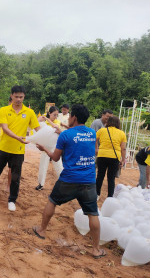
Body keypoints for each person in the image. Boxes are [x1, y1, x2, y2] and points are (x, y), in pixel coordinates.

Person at [32, 104, 106, 259]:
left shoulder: (66, 135)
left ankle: (42, 230)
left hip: (69, 179)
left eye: (70, 115)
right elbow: (91, 149)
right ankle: (96, 249)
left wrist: (44, 149)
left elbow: (55, 157)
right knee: (93, 214)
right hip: (89, 180)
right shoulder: (92, 133)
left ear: (74, 117)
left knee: (52, 201)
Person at [0, 86, 40, 212]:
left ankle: (12, 200)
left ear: (24, 97)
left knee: (16, 178)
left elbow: (37, 129)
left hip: (18, 150)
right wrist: (18, 137)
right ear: (11, 95)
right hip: (3, 147)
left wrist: (42, 140)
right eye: (16, 96)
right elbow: (5, 128)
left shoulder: (29, 113)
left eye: (21, 97)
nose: (18, 99)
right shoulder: (4, 110)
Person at [95, 116, 127, 199]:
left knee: (100, 176)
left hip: (102, 155)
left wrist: (96, 148)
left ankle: (97, 194)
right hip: (114, 157)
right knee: (111, 178)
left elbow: (94, 139)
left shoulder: (101, 130)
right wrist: (123, 160)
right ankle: (110, 197)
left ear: (108, 122)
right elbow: (123, 148)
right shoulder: (122, 133)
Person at [35, 106, 63, 190]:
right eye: (54, 115)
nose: (55, 117)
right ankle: (41, 184)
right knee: (43, 165)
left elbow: (55, 127)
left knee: (59, 165)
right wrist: (39, 120)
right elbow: (35, 127)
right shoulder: (43, 123)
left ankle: (63, 183)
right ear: (49, 113)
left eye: (56, 115)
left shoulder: (56, 122)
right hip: (45, 146)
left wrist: (48, 120)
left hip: (55, 147)